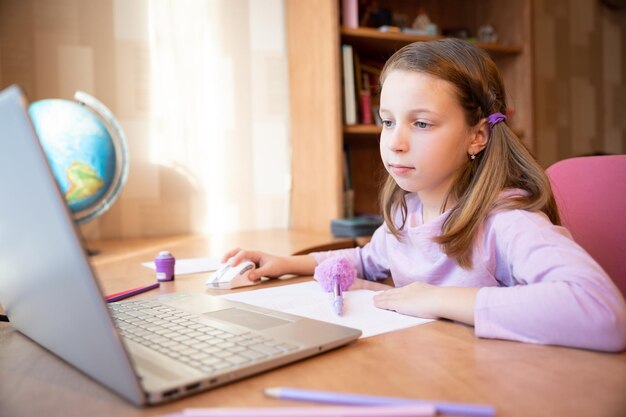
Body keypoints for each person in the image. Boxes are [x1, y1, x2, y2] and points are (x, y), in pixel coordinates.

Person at [223, 39, 626, 352]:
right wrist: (286, 263)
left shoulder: (507, 222)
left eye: (420, 123)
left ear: (477, 135)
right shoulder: (406, 212)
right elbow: (366, 261)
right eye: (387, 121)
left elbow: (601, 313)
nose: (395, 142)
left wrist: (435, 299)